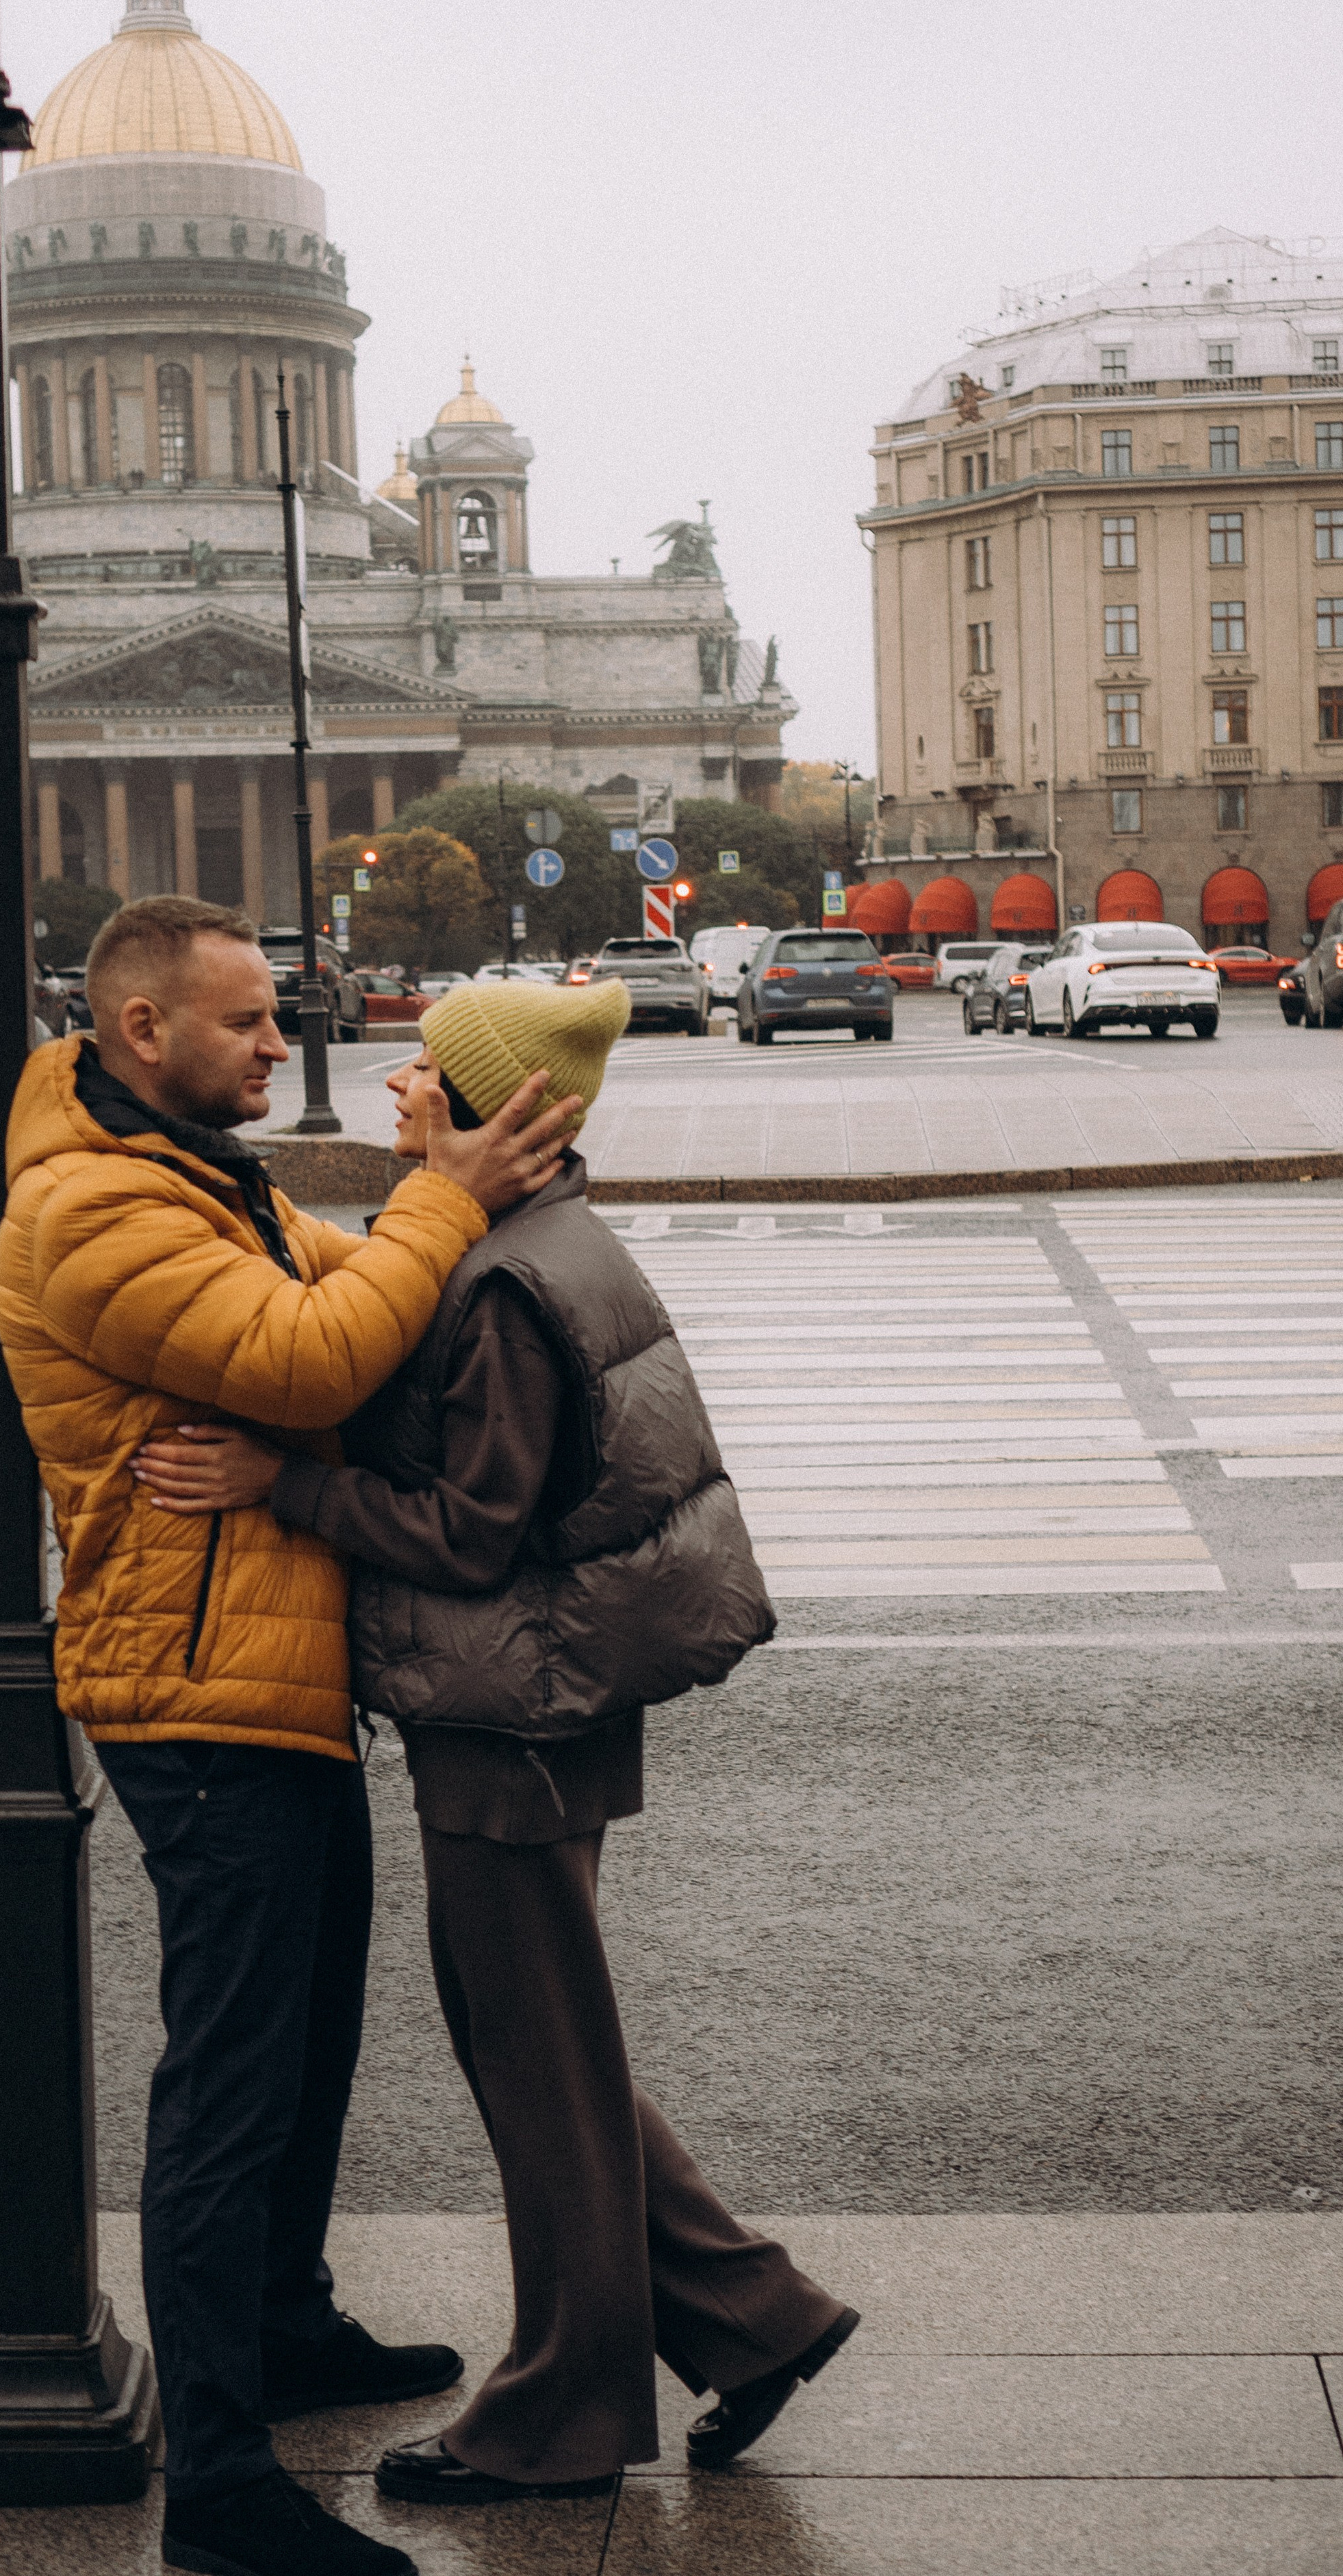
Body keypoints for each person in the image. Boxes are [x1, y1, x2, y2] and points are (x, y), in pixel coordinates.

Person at [134, 974, 858, 2514]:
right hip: (535, 1707)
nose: (395, 1084)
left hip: (509, 1711)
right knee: (542, 2047)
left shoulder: (504, 1288)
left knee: (536, 2067)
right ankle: (750, 2317)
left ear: (488, 1105)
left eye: (426, 1073)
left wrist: (283, 1484)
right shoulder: (536, 1245)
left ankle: (558, 2417)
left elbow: (467, 1535)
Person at [0, 896, 582, 2576]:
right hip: (192, 1687)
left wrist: (444, 1195)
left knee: (307, 2038)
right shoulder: (94, 1207)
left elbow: (367, 1317)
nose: (281, 1040)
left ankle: (288, 2323)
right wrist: (433, 1201)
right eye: (249, 1022)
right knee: (232, 2086)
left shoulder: (198, 1176)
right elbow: (317, 1357)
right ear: (139, 1033)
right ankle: (227, 2492)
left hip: (266, 1666)